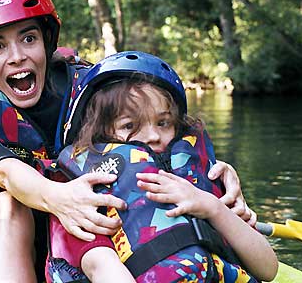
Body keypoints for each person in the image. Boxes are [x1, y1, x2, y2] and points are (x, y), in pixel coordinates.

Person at [0, 0, 257, 283]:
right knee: (11, 204)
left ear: (46, 42)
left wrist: (214, 177)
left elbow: (154, 137)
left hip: (87, 235)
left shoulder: (93, 91)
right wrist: (58, 197)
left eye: (28, 38)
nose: (17, 56)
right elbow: (6, 173)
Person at [53, 51, 278, 283]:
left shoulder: (199, 178)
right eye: (130, 125)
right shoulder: (81, 198)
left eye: (163, 123)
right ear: (99, 131)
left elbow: (268, 269)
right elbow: (101, 268)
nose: (152, 136)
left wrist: (213, 207)